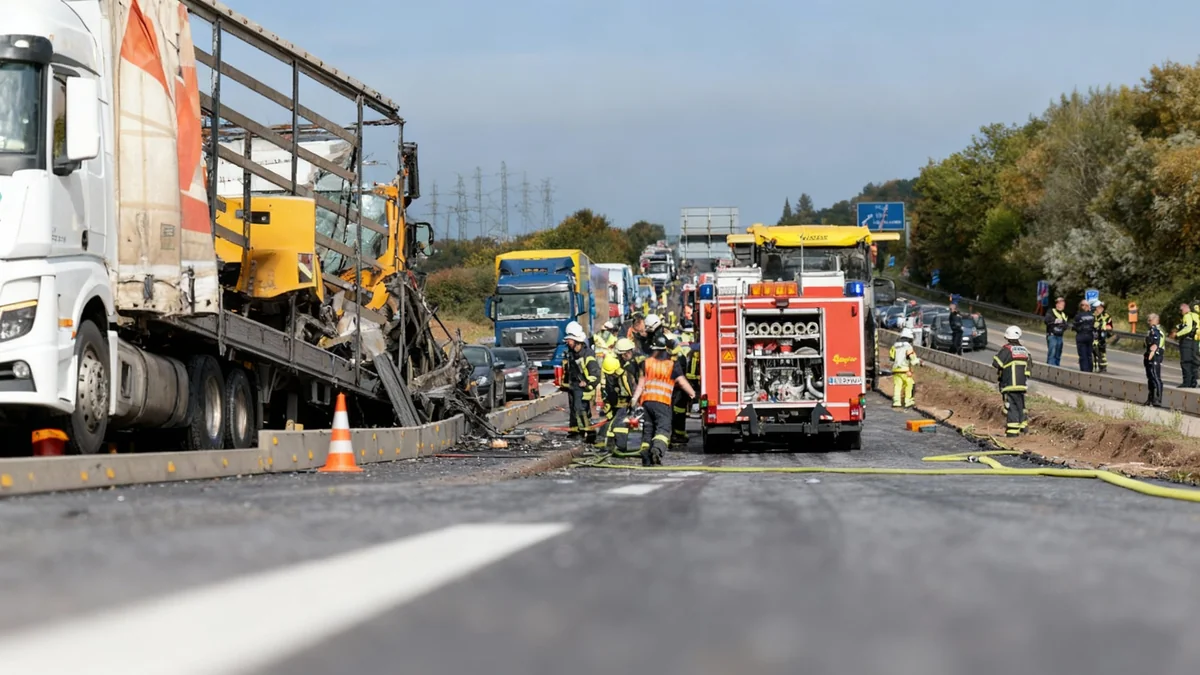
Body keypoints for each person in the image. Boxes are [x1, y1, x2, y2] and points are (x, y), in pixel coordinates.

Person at [631, 336, 696, 466]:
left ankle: (645, 451)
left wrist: (634, 399)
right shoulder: (672, 365)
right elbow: (682, 382)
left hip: (647, 402)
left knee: (648, 429)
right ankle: (657, 450)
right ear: (666, 349)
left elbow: (641, 383)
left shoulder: (647, 362)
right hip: (662, 402)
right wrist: (693, 394)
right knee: (663, 429)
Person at [596, 339, 637, 453]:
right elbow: (613, 384)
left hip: (620, 398)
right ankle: (615, 446)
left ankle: (613, 446)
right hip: (615, 398)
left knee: (616, 421)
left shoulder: (621, 363)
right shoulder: (612, 363)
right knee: (617, 421)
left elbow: (626, 382)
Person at [563, 321, 600, 440]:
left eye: (569, 340)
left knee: (581, 410)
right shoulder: (572, 354)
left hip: (583, 387)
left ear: (575, 340)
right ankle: (575, 433)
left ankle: (589, 434)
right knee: (574, 410)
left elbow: (596, 374)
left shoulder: (587, 354)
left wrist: (587, 384)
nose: (567, 342)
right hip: (573, 386)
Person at [993, 326, 1032, 437]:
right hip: (1022, 385)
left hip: (1010, 384)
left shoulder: (1007, 349)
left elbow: (996, 363)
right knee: (1021, 406)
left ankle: (1012, 432)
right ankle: (1023, 428)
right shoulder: (1025, 351)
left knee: (1011, 407)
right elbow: (1029, 367)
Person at [667, 332, 692, 447]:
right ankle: (677, 435)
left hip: (677, 390)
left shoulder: (674, 356)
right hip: (677, 389)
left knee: (676, 413)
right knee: (677, 413)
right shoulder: (677, 354)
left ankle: (677, 435)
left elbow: (678, 376)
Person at [889, 328, 920, 408]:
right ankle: (908, 401)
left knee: (897, 386)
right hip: (905, 370)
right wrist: (917, 362)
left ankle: (896, 402)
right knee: (910, 384)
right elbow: (912, 357)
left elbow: (892, 357)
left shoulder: (894, 346)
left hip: (896, 369)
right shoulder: (908, 346)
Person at [1172, 302, 1199, 388]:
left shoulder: (1187, 316)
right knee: (1193, 362)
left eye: (1181, 310)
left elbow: (1188, 328)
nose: (1180, 312)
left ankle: (1187, 382)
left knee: (1185, 362)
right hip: (1195, 342)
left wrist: (1177, 335)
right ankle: (1193, 382)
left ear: (1186, 309)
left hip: (1187, 341)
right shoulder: (1196, 316)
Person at [1144, 313, 1165, 407]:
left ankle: (1158, 399)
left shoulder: (1156, 330)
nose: (1148, 322)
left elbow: (1155, 343)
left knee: (1156, 377)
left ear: (1155, 320)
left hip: (1155, 355)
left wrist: (1152, 353)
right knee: (1150, 378)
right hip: (1149, 354)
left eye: (1150, 320)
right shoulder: (1150, 330)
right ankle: (1151, 398)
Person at [1043, 296, 1069, 367]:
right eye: (1060, 304)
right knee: (1052, 352)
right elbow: (1047, 320)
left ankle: (1057, 369)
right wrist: (1057, 321)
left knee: (1058, 353)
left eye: (1063, 305)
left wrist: (1063, 325)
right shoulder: (1051, 311)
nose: (1062, 306)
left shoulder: (1064, 314)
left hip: (1060, 336)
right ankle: (1050, 368)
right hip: (1052, 335)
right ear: (1057, 304)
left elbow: (1066, 325)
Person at [1072, 300, 1095, 372]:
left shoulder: (1078, 316)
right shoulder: (1092, 315)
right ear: (1083, 306)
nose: (1089, 307)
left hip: (1082, 336)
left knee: (1083, 355)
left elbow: (1075, 327)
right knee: (1088, 355)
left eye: (1088, 305)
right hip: (1089, 336)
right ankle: (1089, 371)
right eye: (1087, 305)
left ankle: (1085, 372)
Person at [1092, 300, 1113, 373]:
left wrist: (1103, 326)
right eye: (1099, 307)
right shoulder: (1092, 315)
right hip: (1092, 336)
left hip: (1101, 337)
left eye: (1102, 308)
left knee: (1102, 353)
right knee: (1092, 352)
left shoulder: (1107, 316)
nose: (1100, 309)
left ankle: (1103, 368)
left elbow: (1110, 327)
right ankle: (1093, 367)